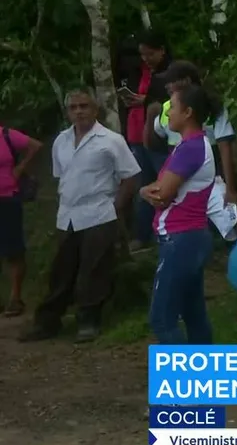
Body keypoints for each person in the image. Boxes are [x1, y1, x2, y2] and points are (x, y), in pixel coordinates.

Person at [18, 87, 141, 343]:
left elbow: (130, 177)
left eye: (84, 106)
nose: (79, 112)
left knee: (93, 268)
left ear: (95, 109)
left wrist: (115, 207)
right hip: (68, 214)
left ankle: (88, 320)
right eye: (73, 108)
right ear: (67, 112)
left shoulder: (111, 140)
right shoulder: (61, 141)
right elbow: (62, 177)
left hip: (100, 212)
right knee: (61, 269)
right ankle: (48, 321)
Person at [151, 60, 237, 287]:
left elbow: (224, 146)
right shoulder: (168, 110)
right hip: (178, 180)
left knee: (233, 218)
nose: (167, 86)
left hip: (207, 177)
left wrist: (230, 188)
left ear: (185, 81)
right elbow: (155, 139)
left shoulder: (211, 108)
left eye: (172, 81)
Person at [140, 83, 218, 345]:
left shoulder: (190, 148)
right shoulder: (191, 145)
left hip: (181, 239)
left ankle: (185, 380)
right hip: (189, 238)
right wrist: (152, 191)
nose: (168, 114)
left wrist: (144, 192)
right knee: (193, 313)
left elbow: (162, 195)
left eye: (172, 107)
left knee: (162, 318)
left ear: (188, 113)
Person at [131, 29, 173, 252]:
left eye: (149, 54)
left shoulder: (170, 74)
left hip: (162, 140)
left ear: (162, 51)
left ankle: (163, 235)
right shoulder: (150, 73)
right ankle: (141, 234)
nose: (145, 59)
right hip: (145, 137)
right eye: (142, 54)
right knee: (145, 186)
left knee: (164, 188)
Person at [0, 125, 42, 316]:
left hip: (7, 197)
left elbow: (35, 146)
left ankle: (15, 298)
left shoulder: (6, 134)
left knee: (13, 250)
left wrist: (20, 167)